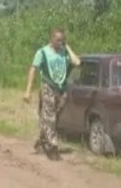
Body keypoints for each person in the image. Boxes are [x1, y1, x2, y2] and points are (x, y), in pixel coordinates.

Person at [23, 28, 81, 159]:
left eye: (62, 39)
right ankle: (52, 148)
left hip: (62, 89)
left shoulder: (64, 52)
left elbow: (77, 62)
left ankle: (42, 141)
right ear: (52, 39)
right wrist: (28, 90)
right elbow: (33, 70)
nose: (60, 42)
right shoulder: (42, 52)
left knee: (54, 118)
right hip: (48, 87)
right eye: (58, 40)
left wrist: (67, 47)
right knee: (50, 118)